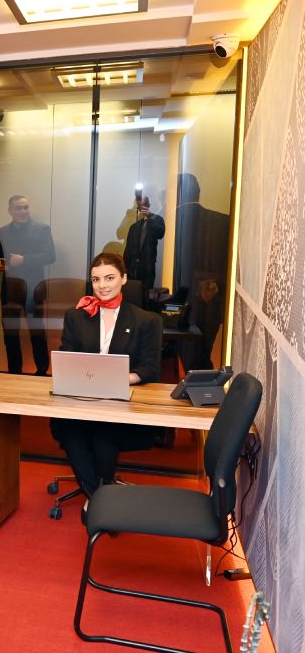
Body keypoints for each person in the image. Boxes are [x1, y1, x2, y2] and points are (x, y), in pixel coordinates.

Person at [51, 252, 162, 517]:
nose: (102, 285)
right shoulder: (76, 316)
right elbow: (67, 358)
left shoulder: (146, 321)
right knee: (70, 431)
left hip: (121, 404)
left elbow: (149, 369)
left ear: (124, 279)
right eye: (96, 279)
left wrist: (118, 378)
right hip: (80, 401)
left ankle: (97, 499)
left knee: (104, 436)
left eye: (109, 278)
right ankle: (99, 497)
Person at [0, 195, 54, 376]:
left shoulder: (42, 229)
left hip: (34, 291)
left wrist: (24, 260)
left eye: (26, 207)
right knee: (10, 335)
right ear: (10, 211)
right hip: (10, 291)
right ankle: (14, 373)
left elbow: (50, 256)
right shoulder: (2, 232)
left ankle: (42, 372)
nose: (23, 211)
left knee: (37, 334)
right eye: (18, 208)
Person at [173, 173, 230, 369]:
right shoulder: (223, 221)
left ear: (178, 194)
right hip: (214, 301)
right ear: (198, 192)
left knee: (187, 357)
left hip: (184, 301)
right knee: (203, 355)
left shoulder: (174, 219)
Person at [123, 192, 165, 297]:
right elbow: (128, 250)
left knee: (145, 297)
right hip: (132, 270)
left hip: (147, 268)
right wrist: (124, 269)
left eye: (145, 205)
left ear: (149, 205)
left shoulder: (157, 220)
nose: (142, 208)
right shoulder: (134, 227)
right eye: (140, 206)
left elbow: (160, 233)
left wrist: (149, 217)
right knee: (132, 296)